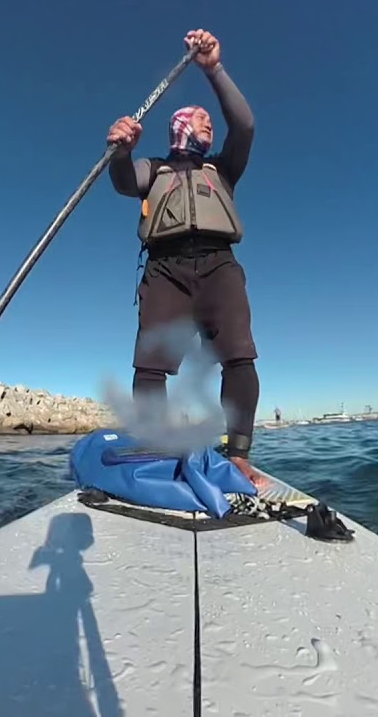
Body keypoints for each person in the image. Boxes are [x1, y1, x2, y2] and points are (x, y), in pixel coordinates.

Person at [106, 29, 260, 483]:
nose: (209, 124)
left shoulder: (223, 169)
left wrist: (213, 69)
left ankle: (239, 455)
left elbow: (245, 125)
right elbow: (120, 181)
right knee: (150, 363)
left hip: (219, 265)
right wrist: (120, 151)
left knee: (239, 356)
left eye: (211, 120)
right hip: (165, 270)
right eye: (200, 119)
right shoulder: (153, 169)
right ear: (179, 126)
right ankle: (155, 445)